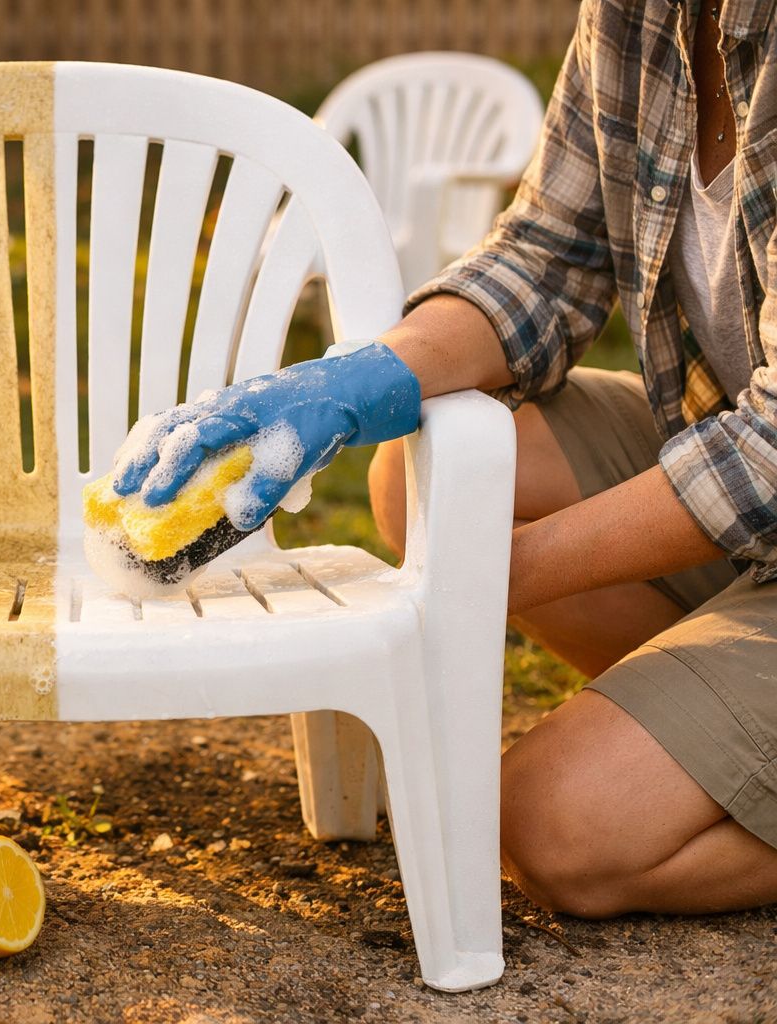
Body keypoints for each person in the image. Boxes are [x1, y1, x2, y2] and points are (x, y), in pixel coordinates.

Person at [110, 0, 777, 918]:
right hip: (743, 481)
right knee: (421, 478)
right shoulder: (641, 13)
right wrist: (352, 383)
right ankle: (711, 721)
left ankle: (690, 749)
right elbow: (548, 255)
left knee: (560, 830)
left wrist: (487, 577)